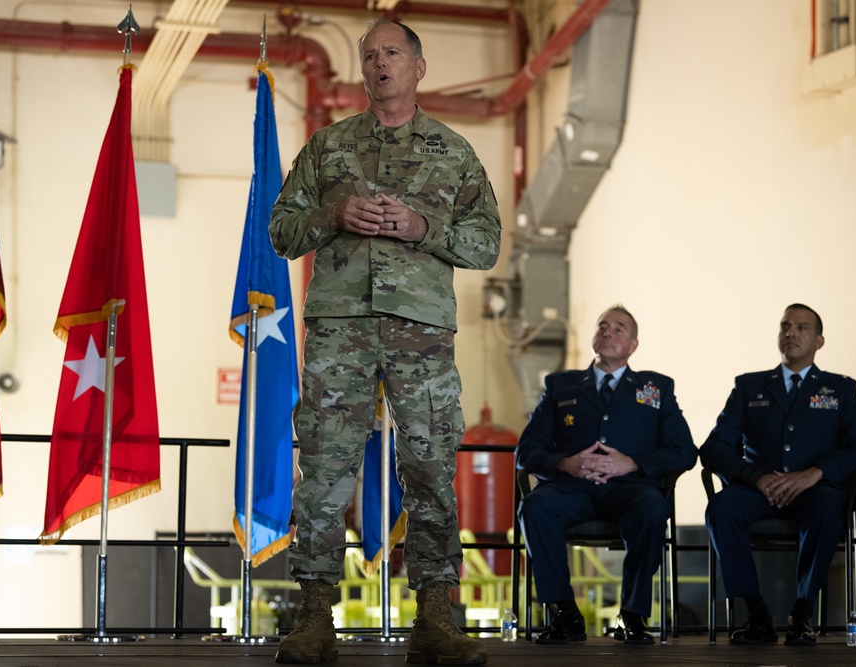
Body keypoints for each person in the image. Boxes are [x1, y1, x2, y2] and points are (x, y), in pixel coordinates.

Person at [268, 18, 501, 666]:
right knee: (324, 470)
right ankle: (314, 617)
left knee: (430, 470)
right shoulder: (328, 147)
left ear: (419, 67)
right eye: (369, 55)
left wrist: (425, 225)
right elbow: (282, 231)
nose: (379, 63)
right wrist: (332, 216)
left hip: (420, 332)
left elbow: (486, 242)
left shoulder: (454, 154)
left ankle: (436, 617)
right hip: (341, 327)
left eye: (392, 52)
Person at [516, 305, 697, 645]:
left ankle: (632, 615)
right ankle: (564, 612)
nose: (609, 332)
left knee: (653, 509)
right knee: (534, 508)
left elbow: (684, 452)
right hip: (571, 489)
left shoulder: (655, 388)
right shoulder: (561, 386)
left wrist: (632, 463)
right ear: (594, 337)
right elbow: (527, 451)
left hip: (629, 490)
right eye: (603, 326)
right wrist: (565, 463)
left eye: (620, 328)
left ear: (633, 345)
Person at [701, 303, 856, 646]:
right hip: (758, 490)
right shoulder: (749, 386)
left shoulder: (839, 389)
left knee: (829, 505)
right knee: (720, 509)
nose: (791, 332)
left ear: (819, 340)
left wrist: (816, 473)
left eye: (801, 327)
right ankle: (756, 614)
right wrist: (755, 477)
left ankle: (802, 612)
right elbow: (713, 448)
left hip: (814, 490)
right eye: (785, 326)